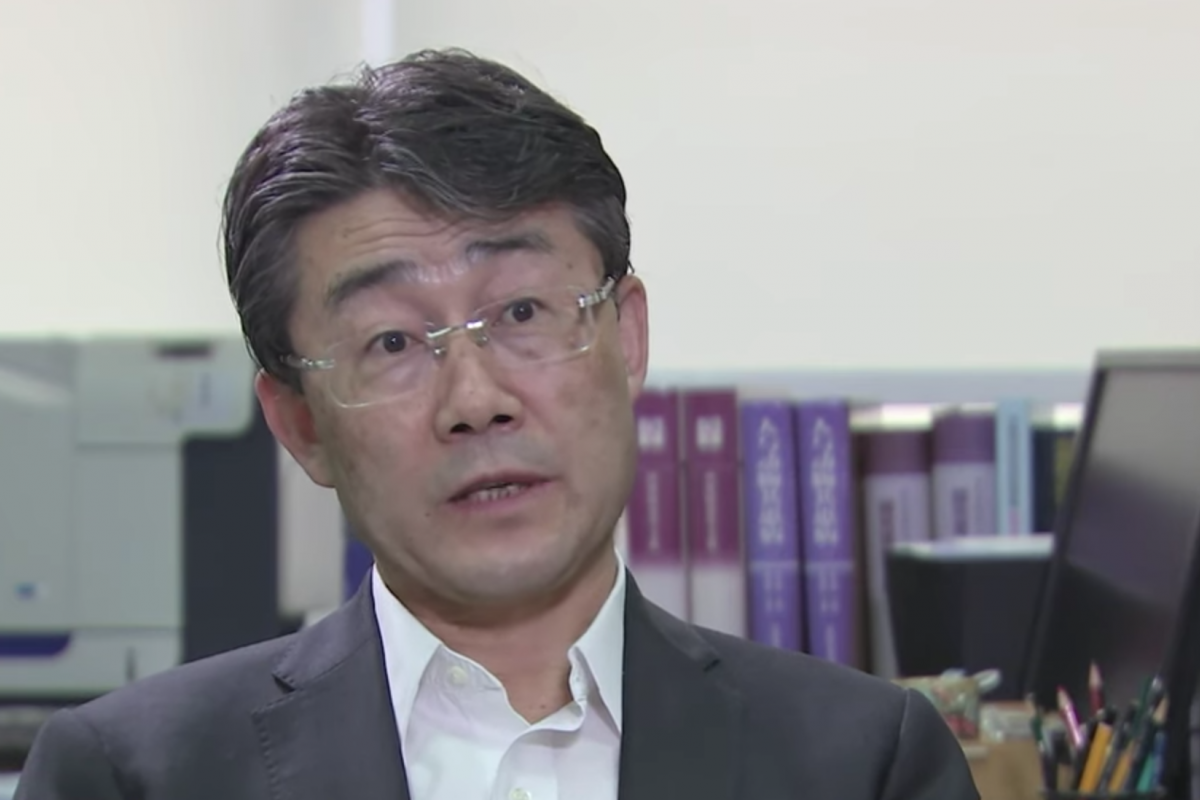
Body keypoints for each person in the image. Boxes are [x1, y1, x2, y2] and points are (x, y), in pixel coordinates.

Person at [16, 49, 979, 800]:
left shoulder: (864, 765)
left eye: (522, 312)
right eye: (393, 342)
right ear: (300, 423)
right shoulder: (133, 779)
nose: (476, 400)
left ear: (626, 336)